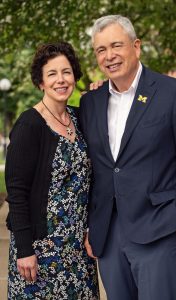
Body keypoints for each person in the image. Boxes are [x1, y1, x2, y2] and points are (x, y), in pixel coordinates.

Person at [80, 15, 176, 300]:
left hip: (158, 227)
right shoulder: (90, 102)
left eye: (116, 46)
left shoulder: (173, 94)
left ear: (136, 46)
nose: (109, 56)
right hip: (108, 233)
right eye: (101, 50)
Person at [5, 42, 99, 299]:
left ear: (75, 76)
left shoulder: (81, 118)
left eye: (66, 72)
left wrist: (103, 90)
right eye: (52, 74)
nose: (61, 79)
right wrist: (25, 250)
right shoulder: (29, 124)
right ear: (41, 82)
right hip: (40, 252)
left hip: (79, 251)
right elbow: (16, 191)